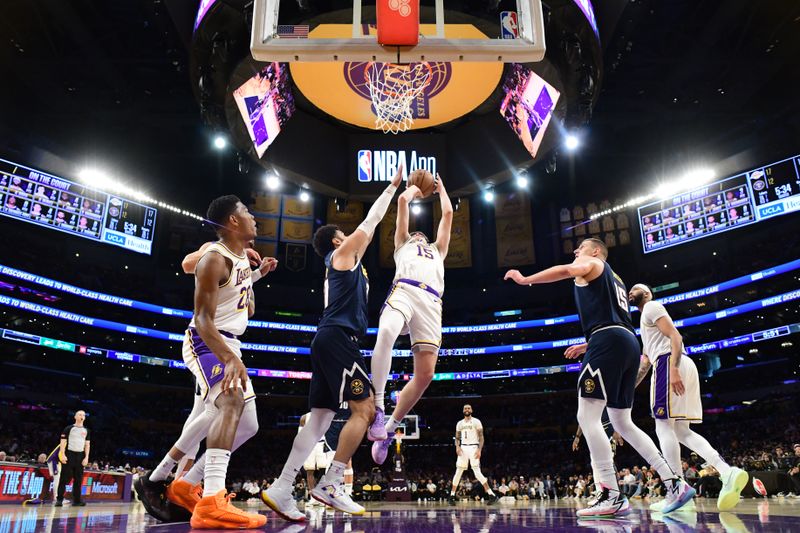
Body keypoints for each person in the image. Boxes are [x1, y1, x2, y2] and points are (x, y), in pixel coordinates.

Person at [505, 238, 694, 518]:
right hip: (627, 342)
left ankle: (610, 493)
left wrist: (525, 279)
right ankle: (674, 483)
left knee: (588, 416)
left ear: (595, 251)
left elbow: (565, 270)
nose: (575, 253)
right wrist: (589, 343)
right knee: (622, 422)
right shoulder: (615, 279)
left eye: (580, 248)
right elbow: (612, 317)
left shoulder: (593, 263)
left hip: (608, 342)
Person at [262, 166, 403, 521]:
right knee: (365, 409)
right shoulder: (340, 257)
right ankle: (333, 482)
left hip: (329, 338)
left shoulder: (346, 264)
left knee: (320, 421)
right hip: (339, 338)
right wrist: (392, 188)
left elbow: (367, 237)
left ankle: (282, 486)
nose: (355, 239)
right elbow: (369, 226)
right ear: (339, 241)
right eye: (346, 235)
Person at [141, 195, 265, 529]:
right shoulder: (215, 256)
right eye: (248, 213)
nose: (254, 218)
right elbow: (204, 320)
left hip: (230, 342)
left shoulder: (240, 257)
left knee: (248, 424)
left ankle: (183, 484)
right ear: (233, 221)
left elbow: (245, 308)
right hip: (206, 340)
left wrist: (255, 277)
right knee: (229, 402)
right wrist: (228, 358)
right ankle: (211, 499)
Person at [628, 283, 748, 511]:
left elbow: (676, 336)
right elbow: (644, 362)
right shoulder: (646, 324)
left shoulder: (652, 306)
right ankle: (727, 471)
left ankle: (676, 490)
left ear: (648, 293)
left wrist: (672, 369)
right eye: (629, 290)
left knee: (662, 427)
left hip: (669, 363)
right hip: (676, 363)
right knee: (681, 431)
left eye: (636, 288)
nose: (631, 292)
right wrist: (630, 387)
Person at [370, 175, 453, 462]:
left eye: (422, 234)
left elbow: (448, 214)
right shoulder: (401, 243)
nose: (419, 234)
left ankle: (391, 426)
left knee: (426, 374)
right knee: (386, 333)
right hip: (405, 289)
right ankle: (378, 409)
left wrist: (442, 191)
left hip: (431, 301)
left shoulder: (437, 251)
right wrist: (413, 190)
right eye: (414, 233)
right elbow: (403, 201)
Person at [447, 405, 498, 505]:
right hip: (463, 448)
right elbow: (457, 437)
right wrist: (457, 447)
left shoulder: (476, 421)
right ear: (463, 411)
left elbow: (481, 437)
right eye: (465, 408)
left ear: (472, 410)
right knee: (458, 472)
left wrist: (479, 449)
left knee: (477, 472)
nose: (467, 410)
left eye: (468, 408)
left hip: (474, 447)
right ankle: (452, 495)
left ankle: (491, 494)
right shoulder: (459, 423)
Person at [55, 410, 90, 507]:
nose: (81, 416)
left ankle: (77, 500)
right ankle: (59, 500)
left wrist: (86, 457)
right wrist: (62, 454)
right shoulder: (69, 428)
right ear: (75, 416)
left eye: (83, 415)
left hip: (80, 456)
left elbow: (87, 445)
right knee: (64, 478)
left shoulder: (86, 430)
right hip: (69, 454)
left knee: (78, 480)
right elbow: (62, 443)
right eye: (79, 414)